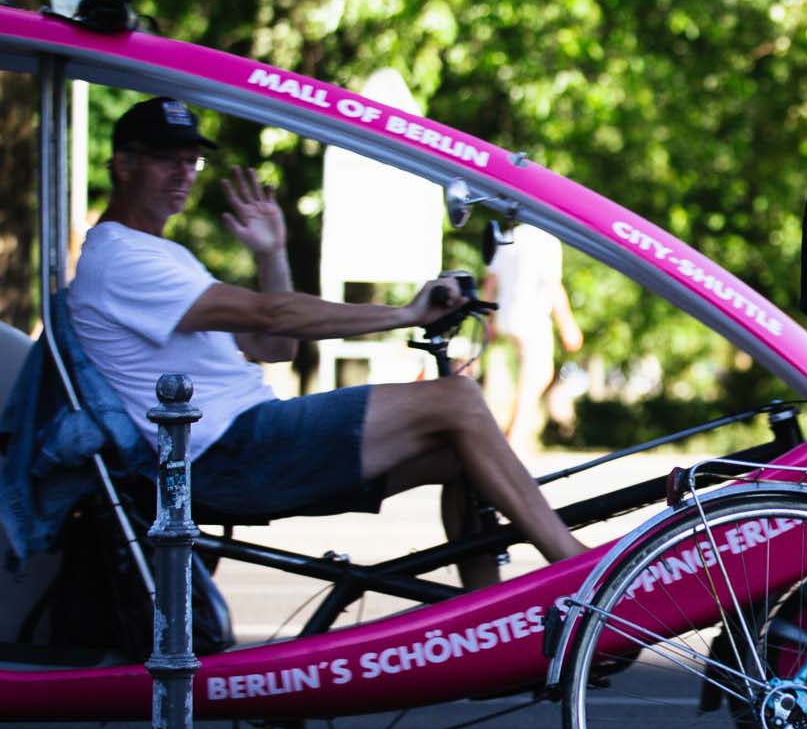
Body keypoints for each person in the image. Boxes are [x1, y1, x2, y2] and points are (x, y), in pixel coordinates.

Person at [68, 97, 592, 587]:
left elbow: (276, 347)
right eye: (167, 159)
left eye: (191, 161)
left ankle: (491, 628)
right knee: (456, 398)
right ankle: (580, 579)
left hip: (245, 442)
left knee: (467, 454)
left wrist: (272, 253)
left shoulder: (162, 254)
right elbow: (272, 315)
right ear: (123, 164)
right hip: (226, 454)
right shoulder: (121, 259)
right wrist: (405, 313)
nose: (183, 173)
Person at [482, 223, 583, 458]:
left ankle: (513, 434)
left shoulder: (508, 236)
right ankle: (512, 438)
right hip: (532, 318)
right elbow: (552, 285)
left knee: (531, 376)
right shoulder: (546, 241)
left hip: (506, 316)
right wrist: (567, 325)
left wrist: (488, 320)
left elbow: (490, 280)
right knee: (537, 375)